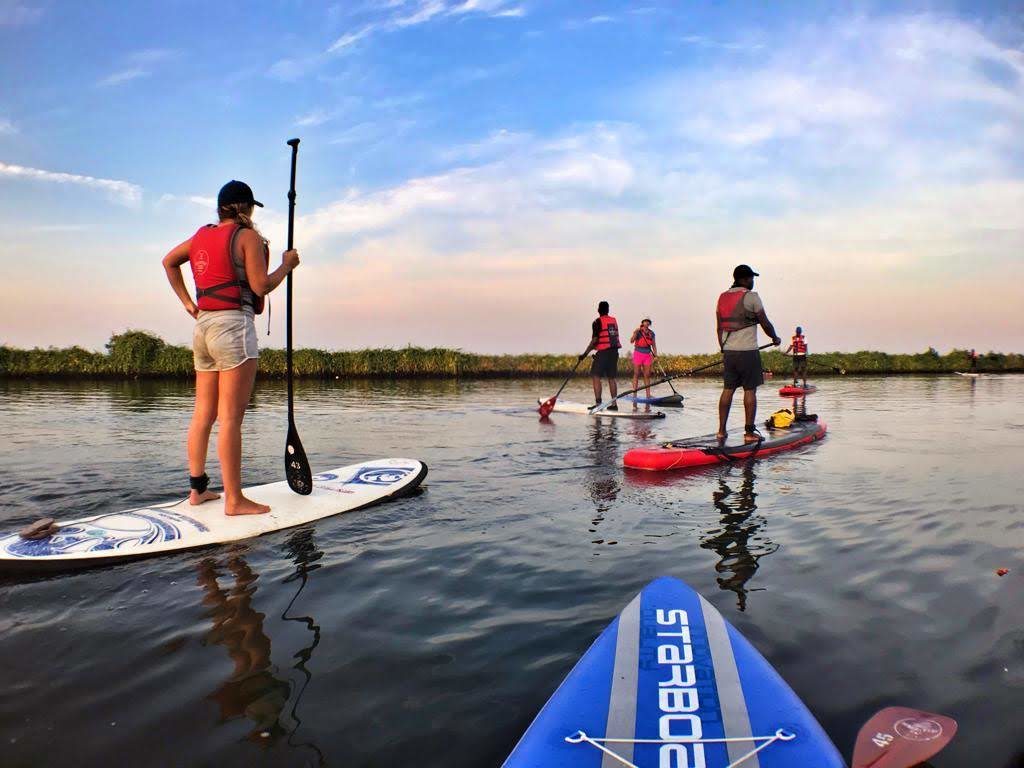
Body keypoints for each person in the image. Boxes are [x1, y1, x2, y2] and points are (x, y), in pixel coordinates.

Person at [162, 180, 300, 515]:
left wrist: (188, 304)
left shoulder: (200, 238)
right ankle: (234, 500)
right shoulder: (247, 237)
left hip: (204, 325)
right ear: (243, 208)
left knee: (203, 414)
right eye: (251, 207)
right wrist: (287, 265)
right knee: (231, 419)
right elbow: (260, 285)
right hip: (233, 327)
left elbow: (169, 261)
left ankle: (197, 491)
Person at [716, 265, 781, 443]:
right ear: (744, 279)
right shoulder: (751, 296)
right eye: (751, 278)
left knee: (727, 390)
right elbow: (765, 323)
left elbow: (719, 327)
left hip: (729, 352)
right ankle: (749, 433)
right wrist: (775, 338)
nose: (753, 281)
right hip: (748, 352)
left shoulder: (722, 298)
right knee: (750, 390)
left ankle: (721, 431)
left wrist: (724, 347)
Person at [579, 301, 621, 409]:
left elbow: (595, 340)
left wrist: (584, 354)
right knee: (611, 378)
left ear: (598, 310)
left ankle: (598, 404)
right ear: (608, 310)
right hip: (614, 352)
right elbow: (606, 338)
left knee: (596, 376)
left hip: (604, 352)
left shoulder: (597, 322)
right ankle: (614, 405)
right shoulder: (613, 320)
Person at [630, 318, 658, 403]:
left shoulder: (652, 333)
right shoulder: (638, 332)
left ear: (649, 325)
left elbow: (653, 345)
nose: (646, 324)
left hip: (647, 355)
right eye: (645, 323)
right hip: (638, 353)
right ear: (642, 324)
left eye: (648, 323)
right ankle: (634, 394)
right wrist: (635, 333)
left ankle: (648, 395)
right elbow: (631, 341)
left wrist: (655, 355)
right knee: (636, 374)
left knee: (647, 375)